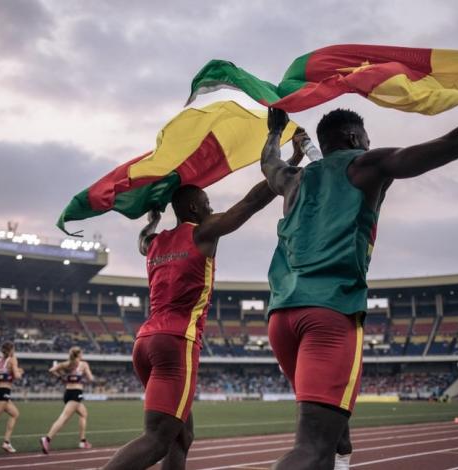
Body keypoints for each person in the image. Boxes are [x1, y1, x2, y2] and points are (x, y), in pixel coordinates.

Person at [260, 70, 458, 470]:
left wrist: (273, 131)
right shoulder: (366, 165)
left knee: (334, 427)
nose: (369, 144)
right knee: (311, 446)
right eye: (366, 138)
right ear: (353, 139)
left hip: (280, 316)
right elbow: (455, 144)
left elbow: (269, 164)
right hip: (330, 311)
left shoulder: (293, 181)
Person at [100, 135, 305, 470]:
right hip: (176, 342)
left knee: (181, 435)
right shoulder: (203, 231)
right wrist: (289, 163)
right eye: (207, 203)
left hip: (144, 343)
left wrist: (153, 216)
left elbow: (141, 238)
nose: (212, 208)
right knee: (157, 438)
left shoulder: (154, 243)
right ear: (194, 208)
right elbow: (250, 203)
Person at [40, 346, 95, 453]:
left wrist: (61, 377)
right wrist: (83, 379)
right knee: (63, 418)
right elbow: (91, 378)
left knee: (83, 413)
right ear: (79, 354)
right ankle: (47, 439)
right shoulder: (83, 364)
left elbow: (51, 370)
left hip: (68, 393)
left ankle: (83, 441)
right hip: (76, 393)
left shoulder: (66, 364)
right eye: (81, 353)